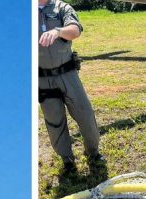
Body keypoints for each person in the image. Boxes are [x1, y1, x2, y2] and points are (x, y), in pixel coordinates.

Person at [38, 0, 104, 176]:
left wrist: (57, 31)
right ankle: (67, 161)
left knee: (85, 114)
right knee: (54, 121)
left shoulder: (61, 7)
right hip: (42, 79)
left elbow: (75, 30)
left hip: (68, 75)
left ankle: (93, 153)